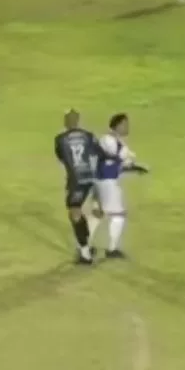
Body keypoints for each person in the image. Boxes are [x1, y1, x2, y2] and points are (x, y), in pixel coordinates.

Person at [95, 113, 147, 259]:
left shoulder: (115, 142)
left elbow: (118, 164)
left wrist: (135, 168)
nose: (127, 127)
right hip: (107, 182)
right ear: (117, 126)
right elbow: (110, 158)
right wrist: (125, 160)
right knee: (118, 216)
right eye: (125, 124)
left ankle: (85, 247)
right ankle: (111, 249)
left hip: (104, 181)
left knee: (99, 214)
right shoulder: (109, 141)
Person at [53, 110, 100, 265]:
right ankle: (86, 245)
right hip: (90, 177)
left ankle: (85, 254)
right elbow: (97, 154)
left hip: (76, 180)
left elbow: (61, 157)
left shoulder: (60, 139)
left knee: (75, 212)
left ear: (66, 121)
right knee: (77, 210)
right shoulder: (88, 136)